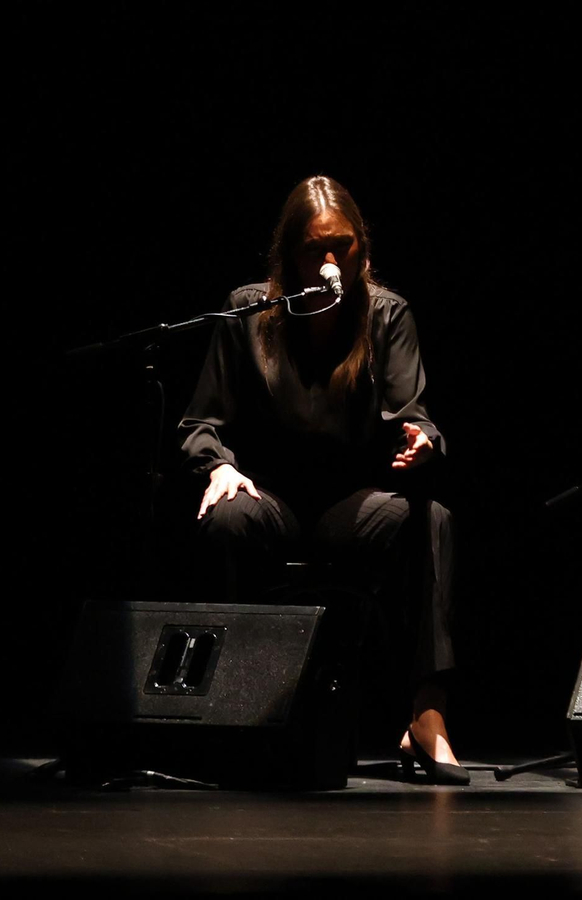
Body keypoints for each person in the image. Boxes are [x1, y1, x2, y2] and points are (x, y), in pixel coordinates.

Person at [176, 175, 467, 785]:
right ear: (290, 255)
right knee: (225, 518)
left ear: (362, 248)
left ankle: (426, 715)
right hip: (267, 493)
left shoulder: (386, 314)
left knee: (429, 518)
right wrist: (220, 465)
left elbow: (415, 418)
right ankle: (230, 713)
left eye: (344, 246)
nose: (332, 261)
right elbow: (201, 422)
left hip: (351, 504)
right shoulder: (248, 313)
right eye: (315, 249)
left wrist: (422, 441)